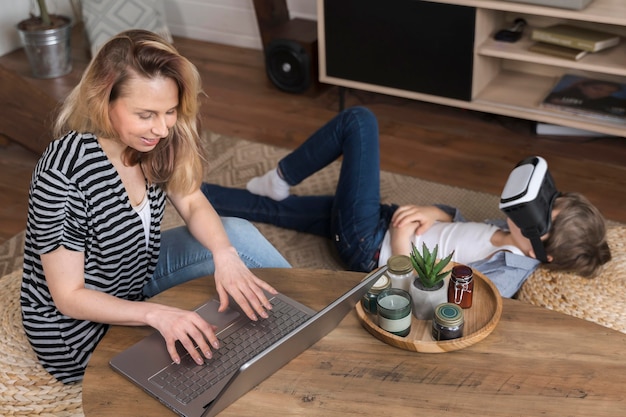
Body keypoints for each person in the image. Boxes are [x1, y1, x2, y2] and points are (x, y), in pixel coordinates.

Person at [20, 30, 290, 384]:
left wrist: (225, 256)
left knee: (237, 236)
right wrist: (158, 315)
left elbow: (192, 202)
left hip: (133, 275)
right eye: (145, 114)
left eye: (170, 112)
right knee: (208, 365)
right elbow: (69, 297)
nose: (161, 128)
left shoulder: (157, 141)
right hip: (76, 329)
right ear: (104, 99)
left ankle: (303, 316)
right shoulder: (64, 173)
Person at [201, 106, 611, 298]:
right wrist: (435, 213)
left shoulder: (502, 280)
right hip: (381, 221)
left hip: (368, 245)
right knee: (274, 211)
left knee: (359, 122)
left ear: (545, 252)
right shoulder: (512, 234)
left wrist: (399, 247)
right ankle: (190, 193)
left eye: (541, 215)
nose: (531, 208)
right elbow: (461, 228)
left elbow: (430, 295)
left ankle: (281, 176)